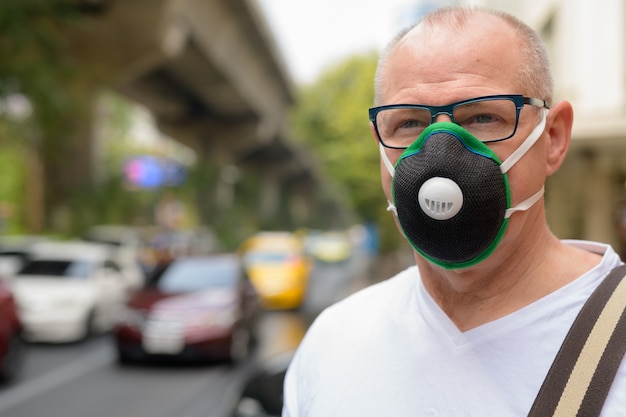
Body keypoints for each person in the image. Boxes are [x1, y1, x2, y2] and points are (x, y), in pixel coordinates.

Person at [282, 6, 626, 416]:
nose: (440, 151)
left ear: (552, 138)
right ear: (379, 144)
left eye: (483, 117)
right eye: (408, 123)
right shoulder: (331, 344)